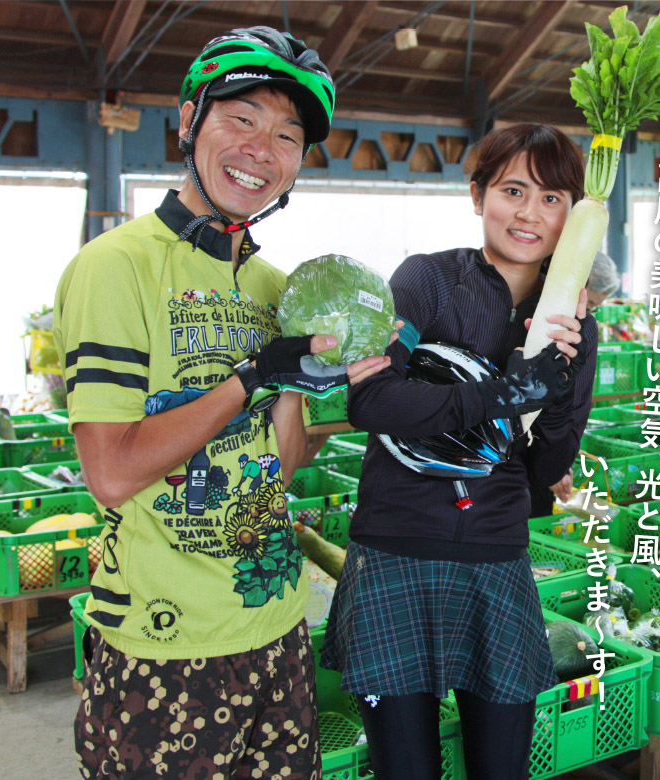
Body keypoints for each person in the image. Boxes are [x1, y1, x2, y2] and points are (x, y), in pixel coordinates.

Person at [56, 26, 394, 779]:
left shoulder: (278, 289)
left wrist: (300, 387)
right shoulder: (116, 268)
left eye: (285, 135)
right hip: (160, 643)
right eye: (240, 120)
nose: (260, 150)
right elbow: (110, 474)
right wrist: (250, 376)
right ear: (187, 121)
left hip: (276, 626)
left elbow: (280, 461)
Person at [321, 123, 597, 780]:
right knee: (405, 770)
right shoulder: (426, 281)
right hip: (393, 550)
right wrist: (507, 390)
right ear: (478, 196)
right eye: (513, 190)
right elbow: (370, 403)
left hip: (494, 558)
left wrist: (565, 378)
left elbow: (547, 470)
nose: (530, 213)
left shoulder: (572, 320)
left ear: (573, 215)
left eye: (553, 199)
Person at [529, 249, 621, 516]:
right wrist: (556, 461)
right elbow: (571, 403)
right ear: (584, 280)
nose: (587, 312)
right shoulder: (579, 328)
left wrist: (560, 461)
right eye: (590, 303)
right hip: (529, 472)